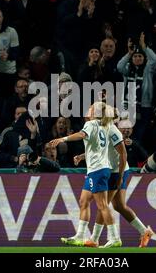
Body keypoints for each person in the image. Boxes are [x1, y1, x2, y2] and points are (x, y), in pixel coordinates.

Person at [49, 102, 125, 248]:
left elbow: (82, 134)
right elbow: (96, 146)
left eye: (90, 108)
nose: (88, 110)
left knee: (102, 205)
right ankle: (79, 235)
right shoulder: (105, 125)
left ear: (94, 113)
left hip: (97, 169)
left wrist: (63, 139)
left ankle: (115, 237)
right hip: (98, 169)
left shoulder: (91, 124)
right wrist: (83, 156)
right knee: (84, 200)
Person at [74, 116, 154, 248]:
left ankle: (95, 238)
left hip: (116, 171)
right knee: (119, 206)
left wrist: (120, 176)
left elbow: (122, 154)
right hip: (114, 170)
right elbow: (102, 150)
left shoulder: (111, 130)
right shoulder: (102, 130)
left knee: (103, 204)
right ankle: (144, 231)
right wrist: (82, 156)